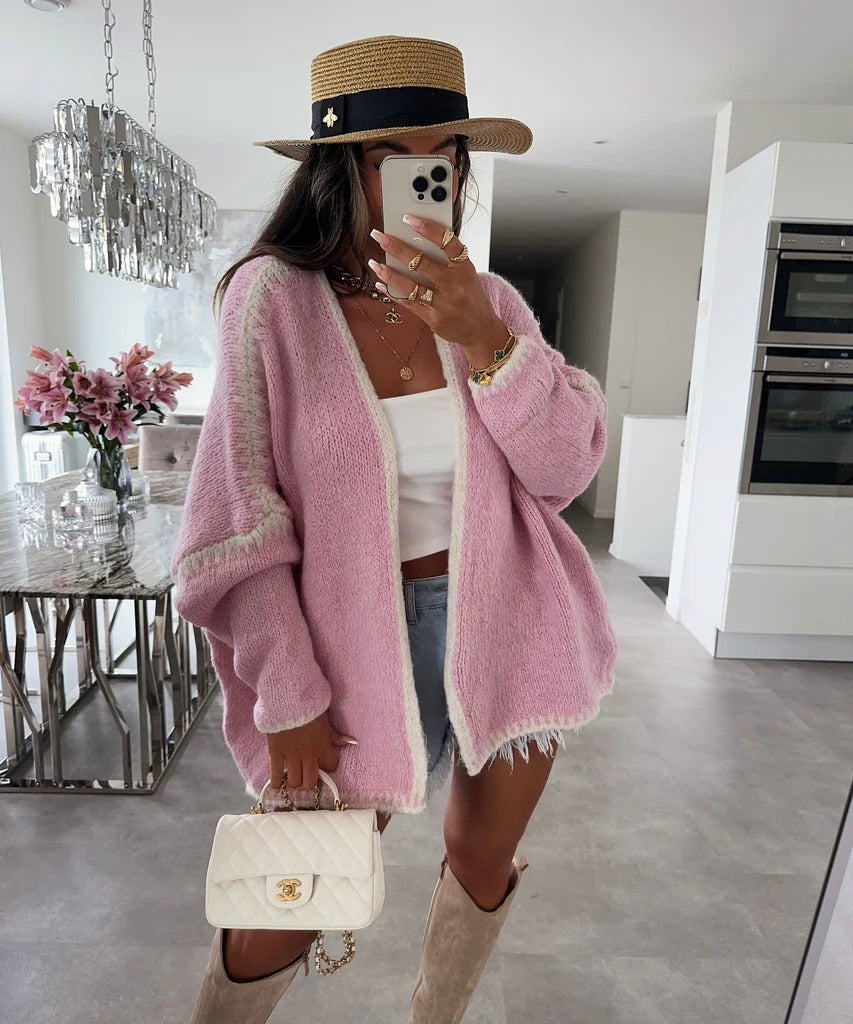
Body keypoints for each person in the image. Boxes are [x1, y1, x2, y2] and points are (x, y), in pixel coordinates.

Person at [171, 33, 617, 1024]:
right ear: (343, 170)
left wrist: (485, 340)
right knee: (291, 889)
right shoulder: (269, 301)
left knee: (480, 857)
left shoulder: (488, 303)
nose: (430, 177)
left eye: (444, 156)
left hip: (513, 622)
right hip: (350, 642)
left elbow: (562, 470)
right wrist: (287, 689)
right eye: (395, 158)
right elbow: (239, 517)